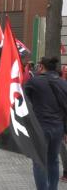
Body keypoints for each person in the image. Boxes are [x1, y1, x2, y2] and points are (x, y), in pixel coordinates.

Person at [25, 57, 67, 190]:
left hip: (41, 127)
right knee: (53, 161)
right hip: (58, 128)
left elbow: (22, 97)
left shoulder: (35, 81)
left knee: (39, 162)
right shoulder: (63, 82)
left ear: (42, 67)